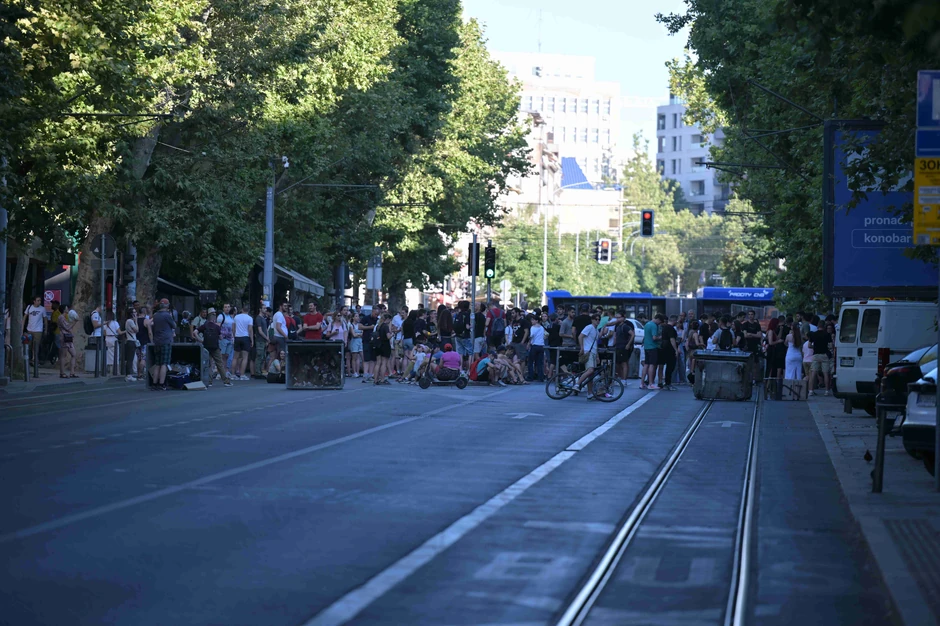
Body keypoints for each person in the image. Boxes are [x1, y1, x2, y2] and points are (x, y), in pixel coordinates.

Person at [194, 311, 233, 387]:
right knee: (220, 364)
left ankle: (209, 381)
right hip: (215, 348)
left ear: (208, 319)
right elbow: (221, 337)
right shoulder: (217, 327)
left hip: (206, 347)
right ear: (214, 320)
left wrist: (200, 340)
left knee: (208, 365)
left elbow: (195, 332)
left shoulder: (204, 326)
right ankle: (225, 381)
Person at [149, 299, 177, 390]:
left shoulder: (155, 315)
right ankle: (162, 383)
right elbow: (174, 325)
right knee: (164, 363)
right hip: (166, 340)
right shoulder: (167, 315)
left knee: (157, 363)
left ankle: (154, 383)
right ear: (167, 306)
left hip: (157, 341)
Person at [577, 312, 601, 399]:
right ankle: (577, 384)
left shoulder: (596, 330)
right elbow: (580, 336)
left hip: (593, 352)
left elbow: (595, 344)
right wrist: (582, 348)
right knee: (590, 370)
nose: (597, 321)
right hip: (588, 351)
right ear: (592, 320)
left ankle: (589, 392)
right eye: (596, 319)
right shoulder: (589, 327)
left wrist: (597, 356)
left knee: (591, 374)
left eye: (599, 320)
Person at [808, 322, 833, 395]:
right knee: (825, 373)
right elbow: (831, 346)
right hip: (824, 355)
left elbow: (809, 345)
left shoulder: (813, 334)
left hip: (816, 355)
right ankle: (827, 391)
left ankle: (811, 391)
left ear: (818, 326)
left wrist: (815, 347)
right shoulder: (827, 334)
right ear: (824, 326)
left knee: (813, 373)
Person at [23, 295, 45, 368]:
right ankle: (28, 360)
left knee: (36, 346)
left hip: (38, 330)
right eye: (38, 300)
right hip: (29, 329)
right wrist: (22, 327)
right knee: (28, 346)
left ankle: (34, 360)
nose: (39, 302)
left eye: (40, 300)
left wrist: (46, 329)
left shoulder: (42, 309)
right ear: (34, 301)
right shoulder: (29, 307)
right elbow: (24, 317)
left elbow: (45, 319)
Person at [232, 307, 254, 380]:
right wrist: (252, 340)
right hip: (245, 337)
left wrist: (235, 335)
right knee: (245, 357)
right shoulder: (249, 318)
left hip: (237, 337)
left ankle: (233, 374)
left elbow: (233, 328)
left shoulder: (236, 317)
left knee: (235, 357)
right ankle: (242, 374)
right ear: (248, 310)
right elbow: (250, 330)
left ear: (242, 310)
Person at [642, 314, 663, 390]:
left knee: (646, 365)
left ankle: (642, 383)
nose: (659, 323)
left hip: (646, 346)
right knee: (652, 365)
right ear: (657, 319)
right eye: (659, 321)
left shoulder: (647, 324)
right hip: (652, 347)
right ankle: (651, 383)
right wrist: (660, 337)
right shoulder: (654, 325)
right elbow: (654, 338)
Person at [58, 307, 78, 378]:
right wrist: (74, 322)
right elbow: (67, 327)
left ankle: (72, 372)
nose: (67, 309)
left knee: (74, 354)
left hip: (68, 337)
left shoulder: (66, 317)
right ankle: (62, 373)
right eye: (66, 308)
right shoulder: (61, 317)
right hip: (64, 337)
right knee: (63, 355)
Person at [374, 313, 393, 385]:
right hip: (385, 345)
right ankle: (382, 379)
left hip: (378, 345)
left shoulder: (378, 326)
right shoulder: (385, 326)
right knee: (384, 363)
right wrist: (392, 334)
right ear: (387, 319)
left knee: (378, 363)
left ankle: (375, 379)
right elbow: (388, 337)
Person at [102, 310, 124, 375]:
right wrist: (126, 331)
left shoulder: (105, 323)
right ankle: (116, 371)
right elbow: (119, 332)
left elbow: (104, 334)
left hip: (107, 339)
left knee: (109, 356)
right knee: (116, 356)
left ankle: (110, 370)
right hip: (114, 339)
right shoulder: (115, 323)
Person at [661, 315, 679, 391]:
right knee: (671, 366)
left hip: (665, 348)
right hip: (670, 349)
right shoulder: (670, 328)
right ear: (674, 320)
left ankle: (667, 382)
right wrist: (676, 349)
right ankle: (668, 383)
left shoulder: (665, 327)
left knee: (669, 366)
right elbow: (672, 339)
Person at [359, 305, 377, 382]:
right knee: (366, 358)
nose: (376, 316)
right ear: (372, 311)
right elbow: (360, 327)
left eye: (377, 314)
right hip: (366, 340)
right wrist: (370, 327)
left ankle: (371, 374)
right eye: (375, 314)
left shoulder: (378, 319)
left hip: (375, 341)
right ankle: (365, 374)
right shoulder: (365, 318)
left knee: (373, 358)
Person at [217, 303, 235, 375]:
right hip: (223, 339)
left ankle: (224, 371)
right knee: (221, 355)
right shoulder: (221, 316)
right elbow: (217, 327)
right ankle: (219, 372)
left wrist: (233, 337)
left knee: (226, 356)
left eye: (228, 307)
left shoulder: (231, 317)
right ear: (223, 308)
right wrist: (219, 335)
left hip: (229, 338)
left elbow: (232, 329)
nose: (227, 308)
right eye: (225, 307)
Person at [527, 315, 546, 382]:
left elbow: (532, 336)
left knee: (530, 362)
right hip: (541, 346)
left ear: (536, 320)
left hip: (534, 346)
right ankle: (540, 377)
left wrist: (529, 344)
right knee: (539, 363)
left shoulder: (533, 328)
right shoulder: (541, 328)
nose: (532, 321)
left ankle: (530, 376)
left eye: (533, 320)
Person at [123, 307, 139, 381]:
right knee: (130, 359)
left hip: (131, 340)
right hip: (131, 341)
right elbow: (136, 330)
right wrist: (136, 321)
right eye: (134, 312)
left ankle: (129, 374)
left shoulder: (128, 321)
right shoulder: (130, 321)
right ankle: (128, 375)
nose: (136, 313)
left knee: (132, 358)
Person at [254, 307, 270, 378]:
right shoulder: (258, 318)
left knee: (263, 356)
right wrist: (266, 338)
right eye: (264, 308)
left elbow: (266, 329)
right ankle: (257, 372)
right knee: (259, 356)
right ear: (260, 309)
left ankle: (260, 371)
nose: (265, 310)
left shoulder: (263, 318)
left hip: (264, 340)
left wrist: (267, 338)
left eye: (265, 309)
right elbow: (260, 331)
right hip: (260, 340)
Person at [349, 313, 364, 377]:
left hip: (360, 342)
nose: (358, 317)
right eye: (356, 316)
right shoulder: (351, 325)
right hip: (354, 342)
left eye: (358, 316)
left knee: (361, 357)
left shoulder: (360, 325)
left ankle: (359, 371)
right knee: (354, 357)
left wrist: (358, 334)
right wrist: (359, 334)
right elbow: (354, 335)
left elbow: (363, 333)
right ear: (353, 318)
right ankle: (354, 372)